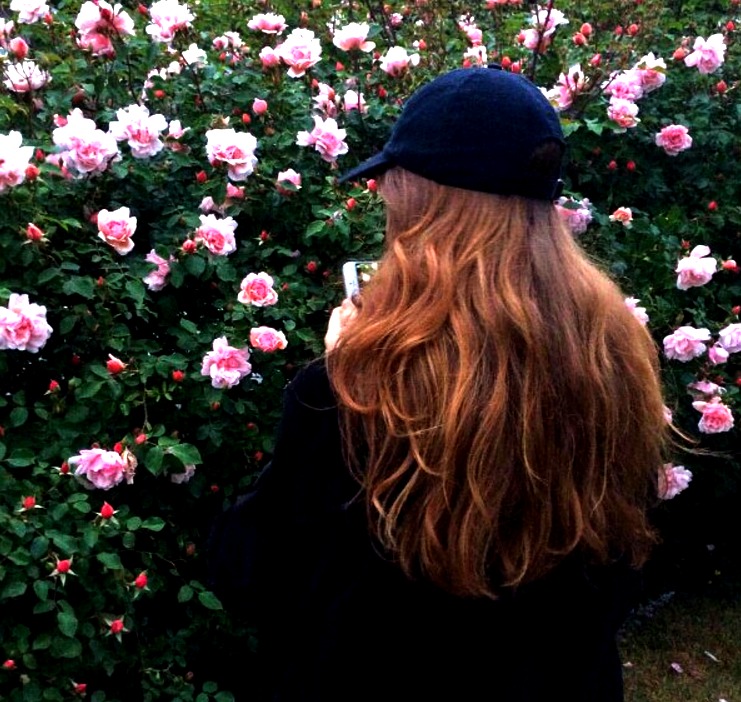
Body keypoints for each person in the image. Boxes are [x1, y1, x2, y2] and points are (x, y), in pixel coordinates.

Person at [209, 66, 668, 701]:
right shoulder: (613, 360)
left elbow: (256, 575)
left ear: (417, 205)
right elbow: (622, 566)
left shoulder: (355, 390)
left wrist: (341, 377)